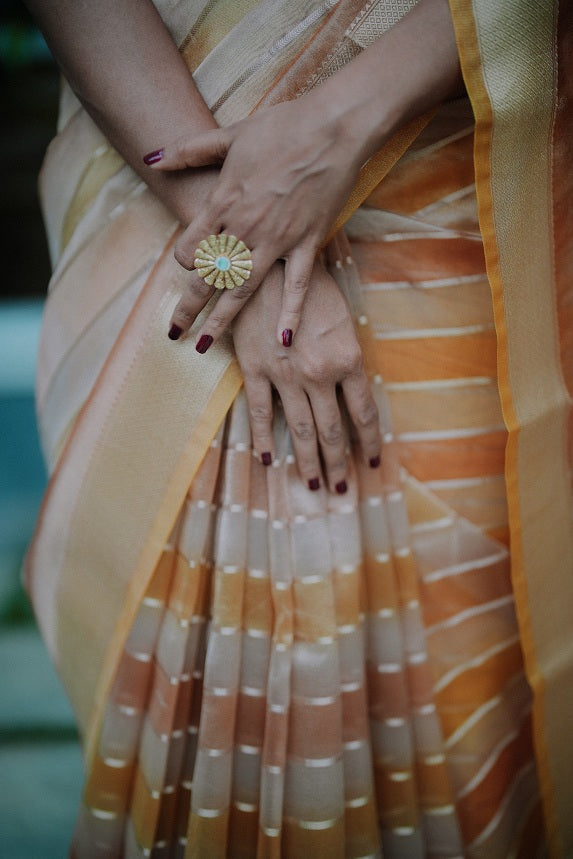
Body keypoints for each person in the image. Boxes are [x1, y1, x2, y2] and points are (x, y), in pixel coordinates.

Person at [23, 0, 573, 856]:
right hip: (155, 161)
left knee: (463, 682)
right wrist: (239, 245)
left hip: (451, 198)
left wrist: (342, 119)